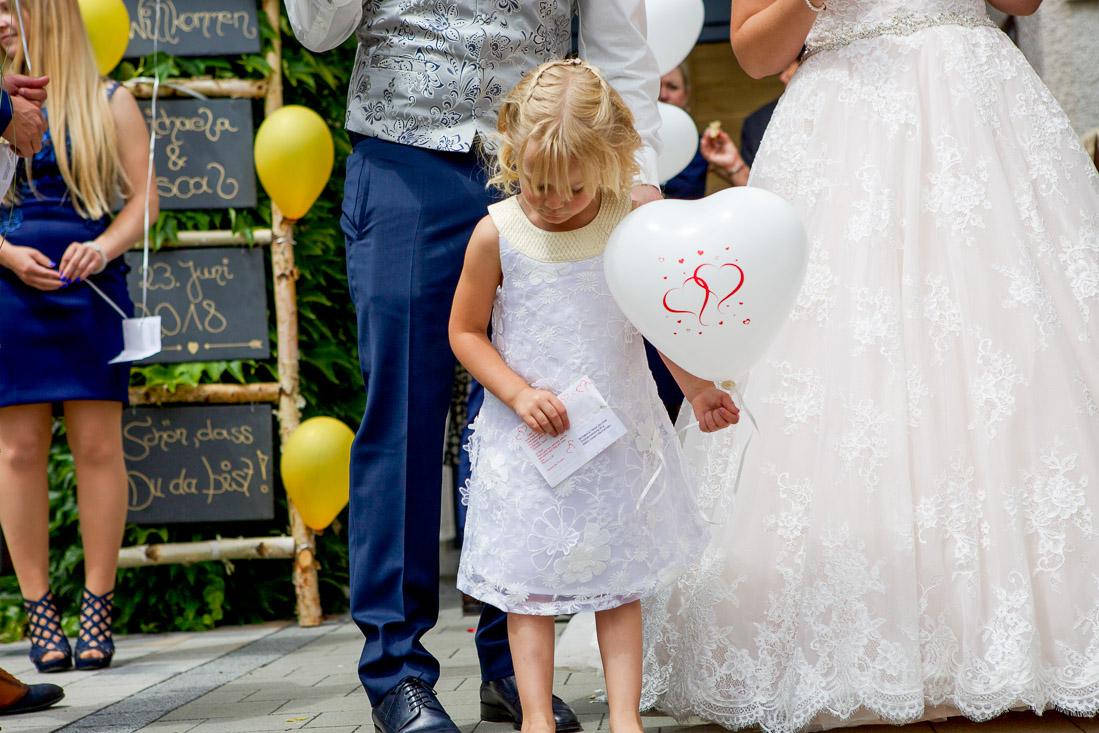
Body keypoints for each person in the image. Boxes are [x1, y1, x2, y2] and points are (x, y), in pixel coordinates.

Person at [642, 0, 1099, 731]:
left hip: (976, 124)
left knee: (1003, 348)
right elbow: (756, 54)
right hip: (842, 136)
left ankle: (1023, 638)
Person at [283, 3, 664, 732]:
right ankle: (396, 672)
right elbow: (318, 30)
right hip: (403, 156)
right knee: (401, 418)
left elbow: (615, 28)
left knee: (530, 414)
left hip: (539, 163)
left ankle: (508, 670)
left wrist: (634, 173)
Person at [450, 59, 739, 733]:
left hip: (614, 433)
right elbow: (464, 332)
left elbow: (655, 320)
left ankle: (622, 716)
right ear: (511, 157)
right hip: (530, 439)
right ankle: (533, 716)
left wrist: (697, 390)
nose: (552, 201)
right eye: (536, 183)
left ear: (610, 160)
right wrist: (518, 393)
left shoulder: (629, 221)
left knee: (620, 578)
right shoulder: (497, 233)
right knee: (528, 587)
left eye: (572, 186)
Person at [0, 0, 157, 673]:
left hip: (91, 291)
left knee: (98, 446)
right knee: (16, 453)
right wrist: (5, 257)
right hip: (11, 292)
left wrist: (102, 246)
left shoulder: (109, 99)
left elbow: (145, 199)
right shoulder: (0, 102)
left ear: (50, 14)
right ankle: (40, 611)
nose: (0, 20)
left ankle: (97, 602)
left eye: (10, 6)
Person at [737, 59, 798, 169]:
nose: (783, 77)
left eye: (788, 66)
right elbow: (751, 184)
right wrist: (734, 165)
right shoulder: (757, 122)